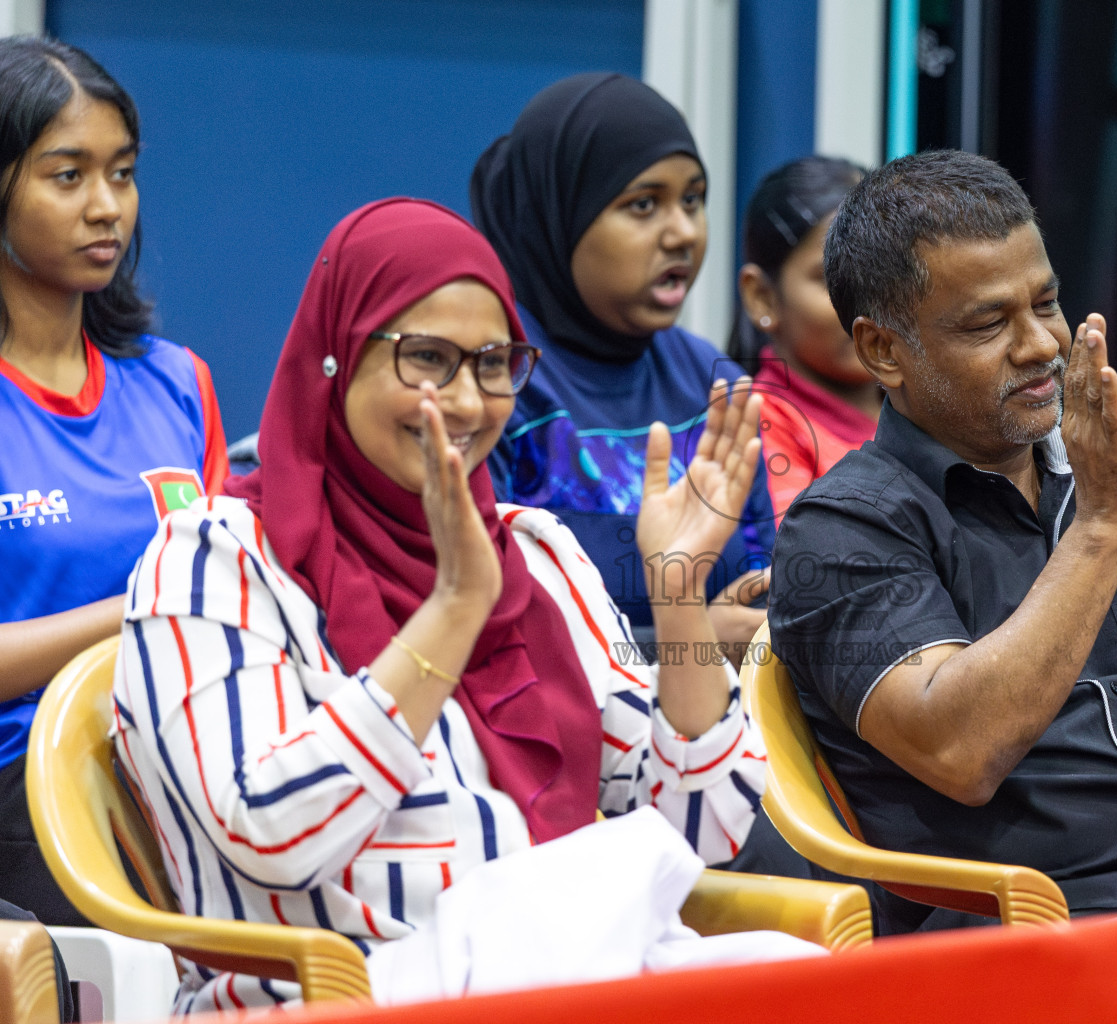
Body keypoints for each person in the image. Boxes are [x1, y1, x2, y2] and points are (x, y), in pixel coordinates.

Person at [112, 199, 780, 1011]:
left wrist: (678, 594)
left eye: (494, 363)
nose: (466, 403)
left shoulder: (532, 553)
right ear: (336, 359)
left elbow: (702, 826)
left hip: (566, 973)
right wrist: (453, 613)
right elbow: (271, 834)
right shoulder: (216, 557)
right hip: (343, 997)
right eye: (427, 358)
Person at [769, 150, 1117, 933]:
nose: (1039, 344)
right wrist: (1099, 531)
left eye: (1047, 303)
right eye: (988, 323)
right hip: (1028, 934)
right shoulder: (845, 529)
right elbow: (960, 752)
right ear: (884, 350)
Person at [0, 36, 226, 926]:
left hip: (192, 755)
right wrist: (146, 607)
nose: (107, 208)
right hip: (28, 785)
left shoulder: (177, 380)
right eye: (67, 176)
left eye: (122, 174)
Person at [470, 73, 774, 659]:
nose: (683, 232)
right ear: (560, 213)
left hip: (721, 737)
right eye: (643, 204)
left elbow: (766, 589)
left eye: (693, 199)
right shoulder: (494, 381)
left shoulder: (711, 378)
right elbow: (487, 628)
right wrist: (689, 645)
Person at [730, 156, 878, 516]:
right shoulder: (760, 428)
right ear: (762, 296)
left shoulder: (925, 405)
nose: (872, 300)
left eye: (887, 273)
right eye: (834, 279)